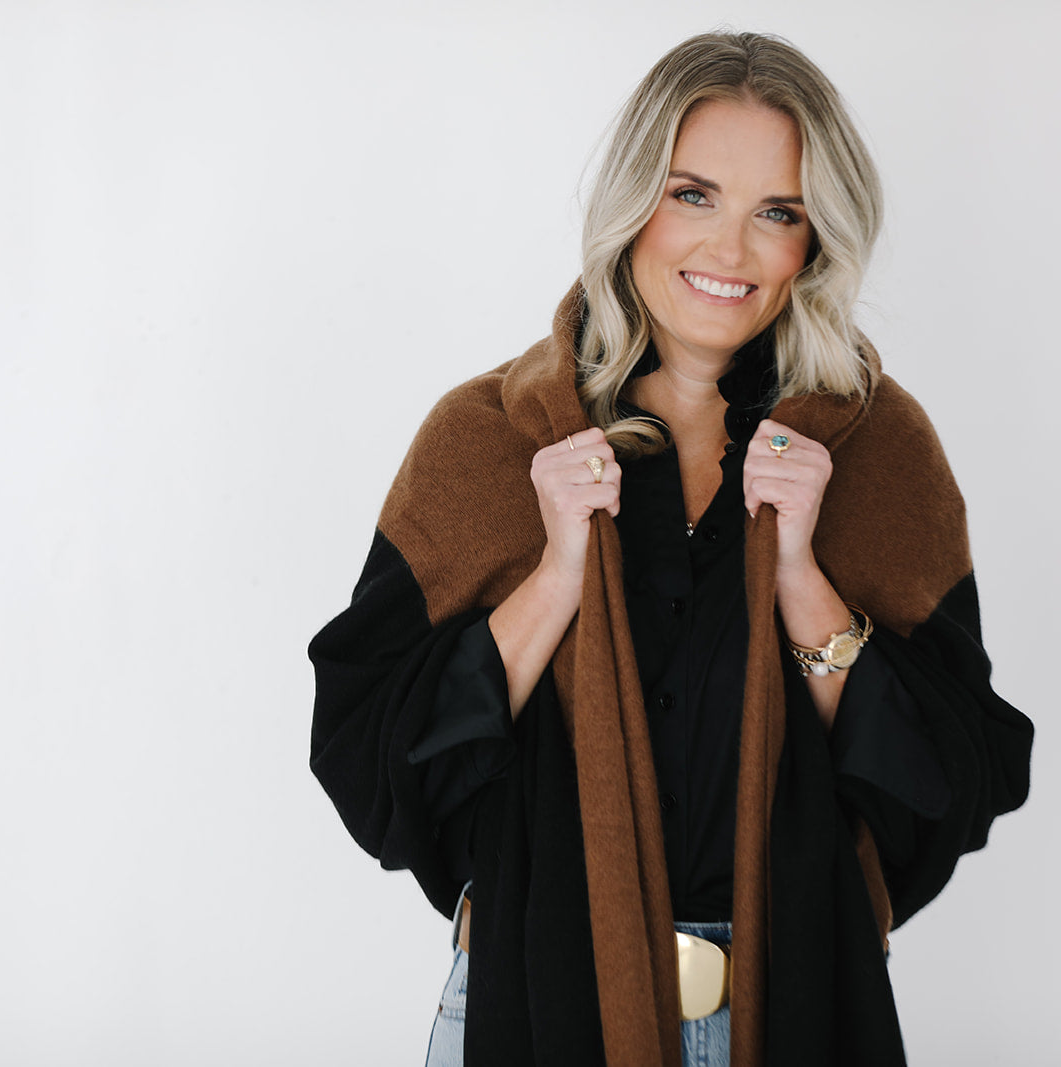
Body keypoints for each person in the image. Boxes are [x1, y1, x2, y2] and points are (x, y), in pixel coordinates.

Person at [307, 31, 1032, 1067]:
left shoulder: (879, 450)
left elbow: (958, 781)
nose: (729, 251)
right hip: (532, 1001)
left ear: (814, 239)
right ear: (632, 201)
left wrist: (804, 585)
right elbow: (365, 750)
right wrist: (556, 575)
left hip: (799, 1008)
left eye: (775, 212)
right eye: (692, 194)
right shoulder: (489, 437)